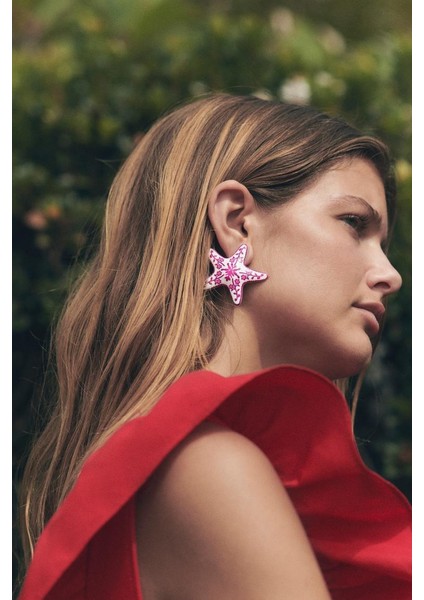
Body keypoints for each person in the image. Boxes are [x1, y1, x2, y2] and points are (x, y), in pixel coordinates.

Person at [18, 94, 411, 600]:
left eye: (384, 245)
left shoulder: (180, 460)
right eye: (354, 223)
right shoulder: (206, 467)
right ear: (237, 221)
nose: (390, 275)